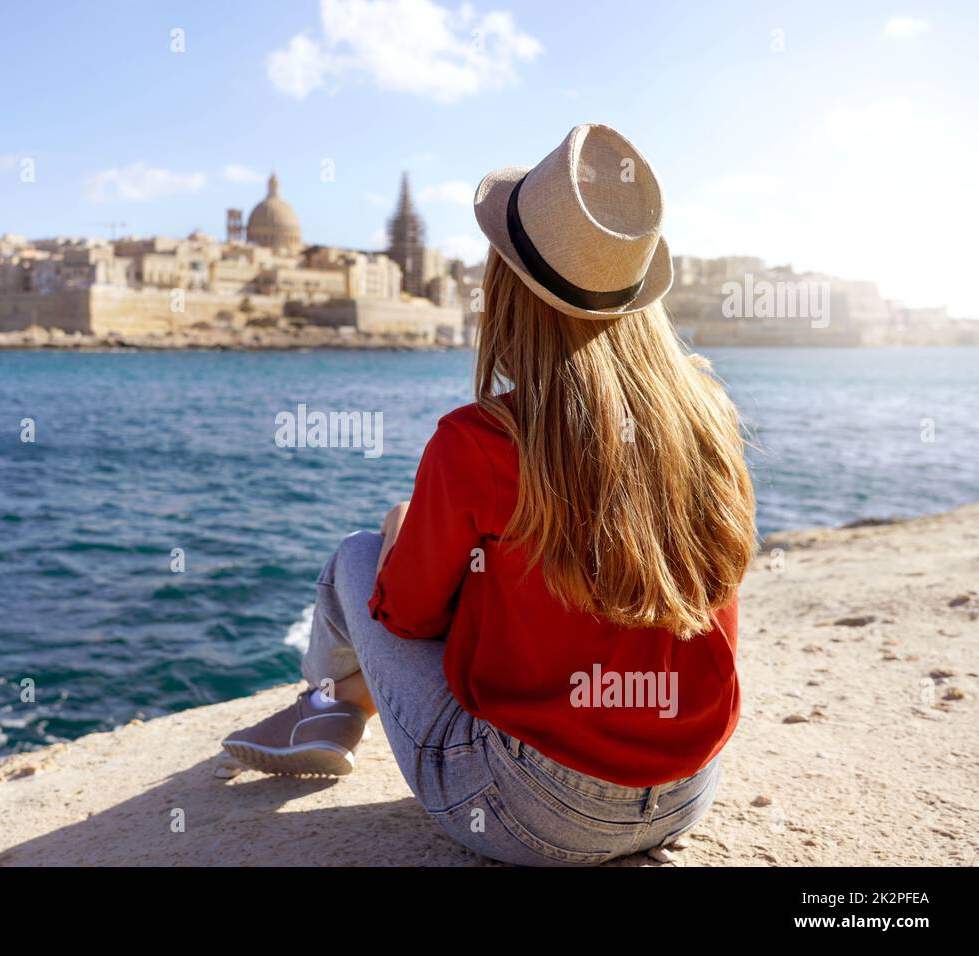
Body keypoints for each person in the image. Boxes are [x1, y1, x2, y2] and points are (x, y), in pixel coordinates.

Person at [222, 123, 757, 866]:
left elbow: (405, 615)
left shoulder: (479, 440)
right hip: (686, 789)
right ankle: (332, 710)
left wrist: (408, 529)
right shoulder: (709, 422)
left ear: (508, 289)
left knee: (358, 557)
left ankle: (330, 708)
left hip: (538, 813)